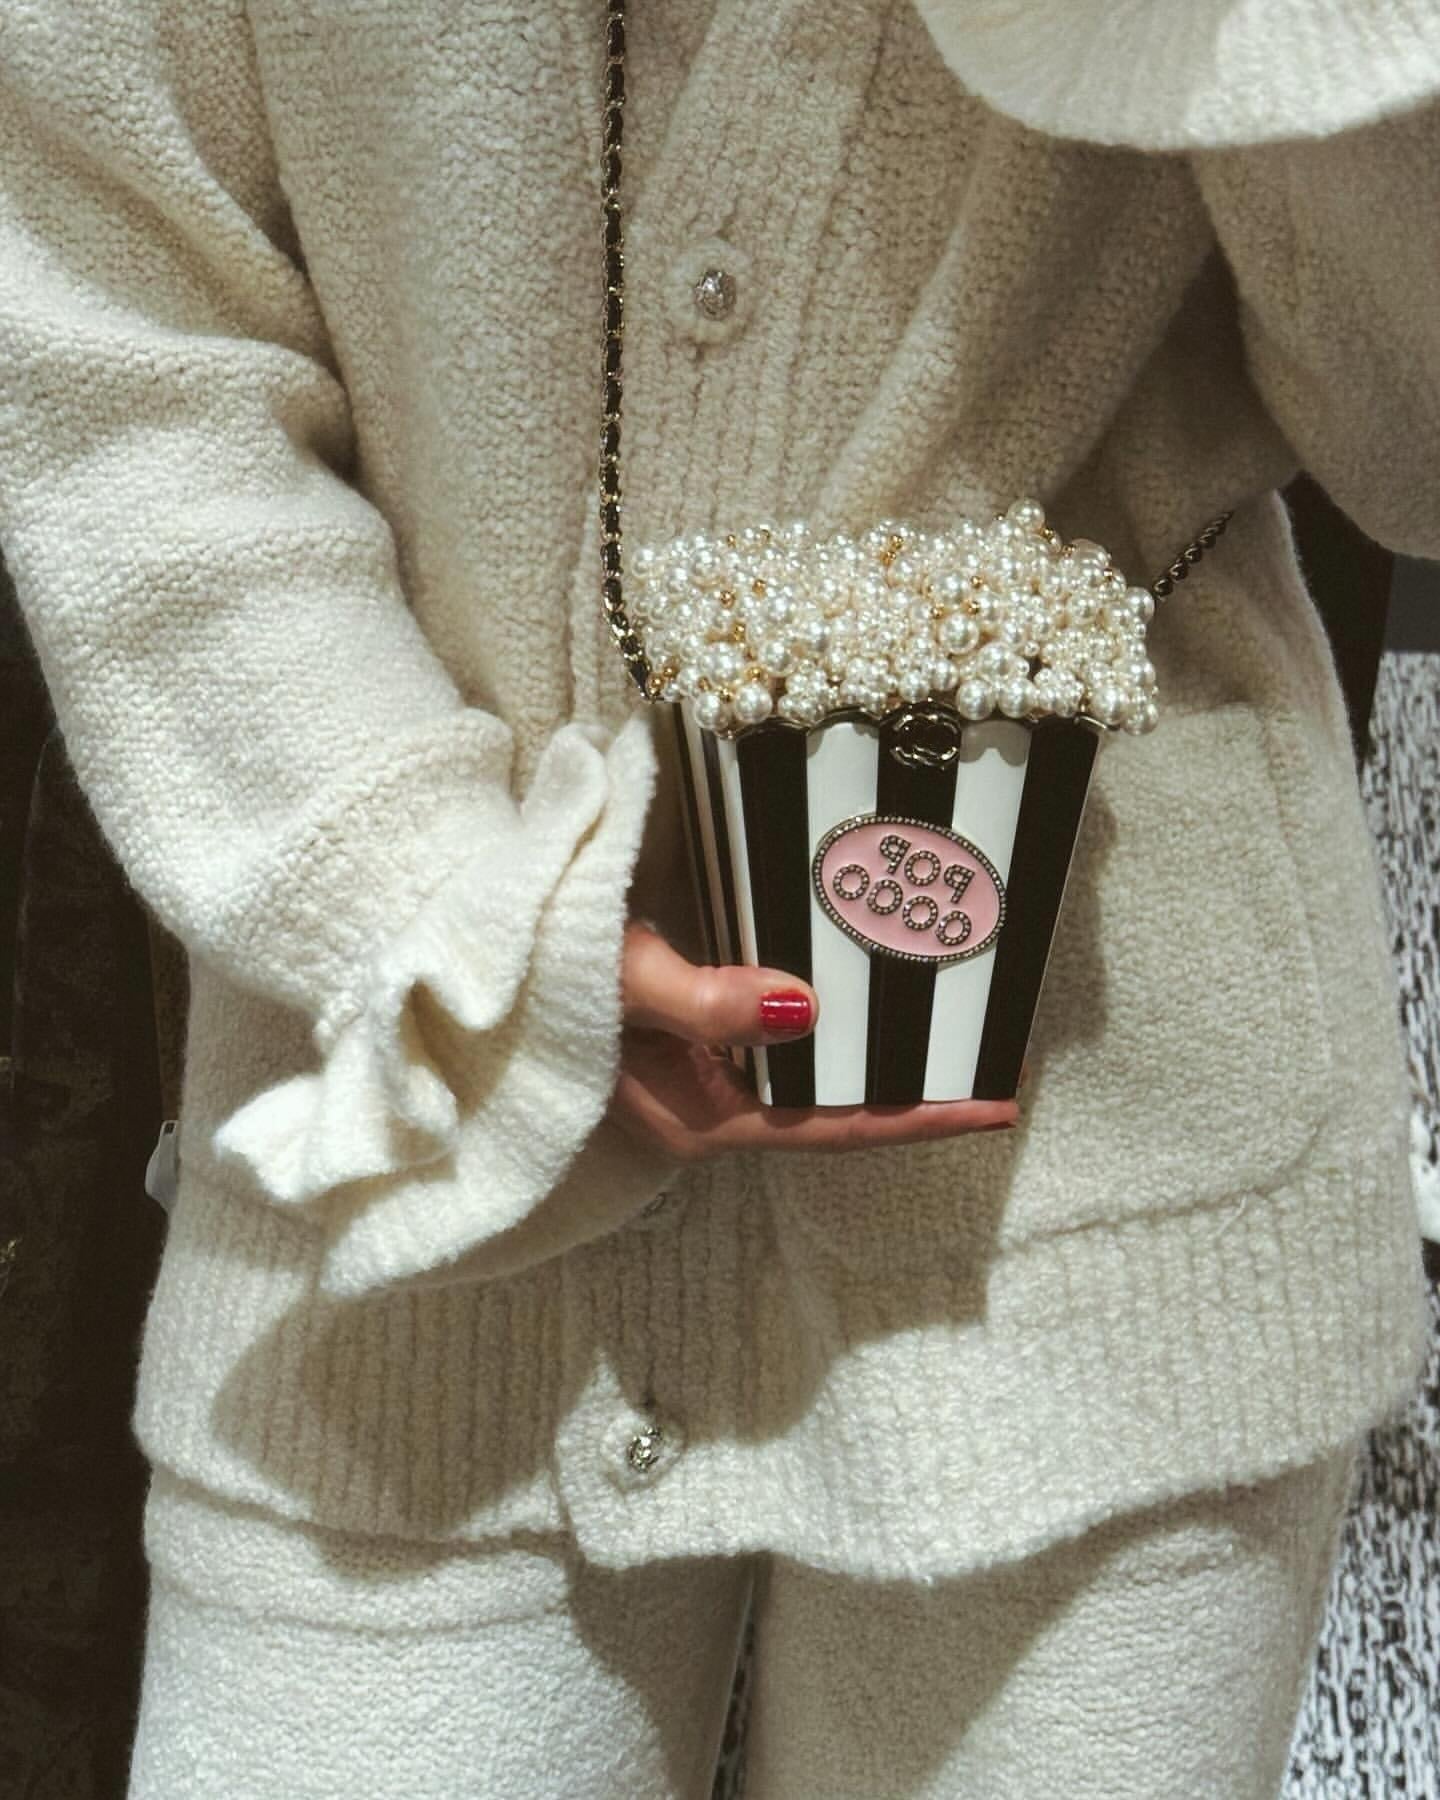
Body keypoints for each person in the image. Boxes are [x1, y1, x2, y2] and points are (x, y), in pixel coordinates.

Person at [0, 0, 1433, 1793]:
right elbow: (114, 329)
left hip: (1111, 1180)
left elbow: (1415, 451)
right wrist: (434, 913)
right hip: (411, 1163)